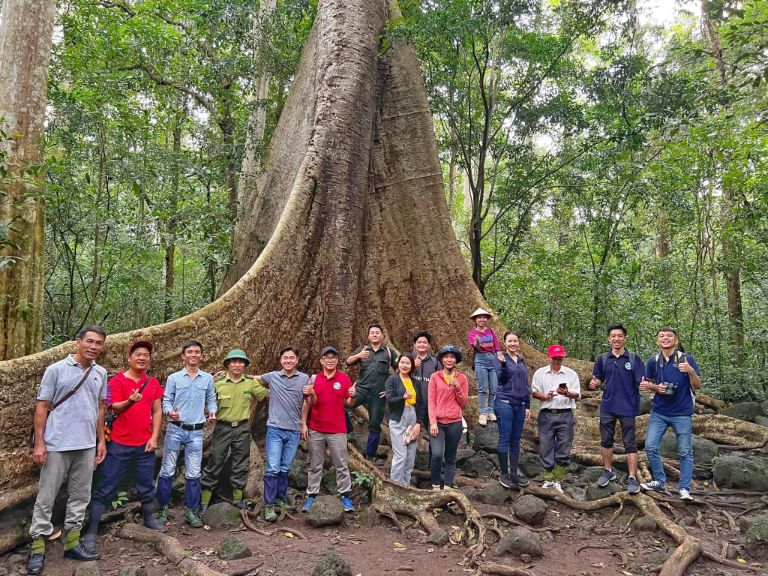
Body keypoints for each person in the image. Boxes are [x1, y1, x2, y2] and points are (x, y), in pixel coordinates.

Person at [26, 326, 109, 575]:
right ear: (78, 342)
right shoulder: (56, 370)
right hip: (57, 443)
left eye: (99, 343)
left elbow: (99, 408)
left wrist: (100, 441)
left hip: (85, 445)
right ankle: (38, 547)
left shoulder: (101, 372)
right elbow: (42, 407)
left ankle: (72, 542)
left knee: (81, 496)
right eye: (90, 341)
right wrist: (40, 443)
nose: (94, 347)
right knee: (46, 496)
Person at [83, 340, 166, 553]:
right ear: (129, 358)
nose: (142, 358)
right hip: (119, 445)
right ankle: (91, 531)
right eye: (138, 354)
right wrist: (130, 401)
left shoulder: (153, 383)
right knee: (106, 486)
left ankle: (150, 520)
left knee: (146, 485)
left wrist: (154, 437)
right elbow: (114, 408)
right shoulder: (117, 382)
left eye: (146, 355)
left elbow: (157, 411)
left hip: (144, 445)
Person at [157, 340, 217, 528]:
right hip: (175, 429)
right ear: (183, 356)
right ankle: (163, 509)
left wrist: (213, 411)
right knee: (167, 470)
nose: (193, 355)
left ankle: (191, 511)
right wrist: (169, 412)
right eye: (189, 352)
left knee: (193, 473)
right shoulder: (174, 378)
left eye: (196, 352)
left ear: (201, 355)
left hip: (196, 432)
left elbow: (211, 399)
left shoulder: (207, 378)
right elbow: (166, 400)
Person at [200, 349, 268, 512]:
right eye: (234, 361)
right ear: (228, 364)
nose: (237, 365)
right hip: (222, 427)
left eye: (241, 362)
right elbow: (204, 398)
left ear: (245, 365)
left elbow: (266, 394)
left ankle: (238, 500)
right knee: (215, 461)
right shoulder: (218, 383)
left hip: (243, 428)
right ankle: (203, 503)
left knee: (240, 463)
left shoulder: (250, 383)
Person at [640, 327, 702, 501]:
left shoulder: (686, 359)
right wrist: (654, 387)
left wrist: (690, 371)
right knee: (650, 446)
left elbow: (697, 385)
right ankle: (659, 481)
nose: (665, 338)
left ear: (675, 340)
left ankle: (684, 488)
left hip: (682, 412)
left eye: (669, 336)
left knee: (685, 452)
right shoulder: (653, 361)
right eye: (661, 336)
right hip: (659, 411)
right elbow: (647, 384)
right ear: (657, 341)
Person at [254, 346, 309, 522]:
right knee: (272, 468)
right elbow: (254, 379)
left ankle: (280, 499)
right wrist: (228, 375)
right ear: (280, 360)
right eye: (285, 358)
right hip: (275, 430)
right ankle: (269, 505)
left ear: (297, 360)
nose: (288, 361)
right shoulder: (272, 377)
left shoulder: (304, 378)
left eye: (291, 358)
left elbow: (308, 402)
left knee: (285, 468)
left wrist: (303, 424)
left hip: (293, 430)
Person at [589, 323, 645, 494]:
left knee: (630, 443)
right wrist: (594, 383)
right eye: (613, 336)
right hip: (608, 405)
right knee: (606, 440)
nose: (616, 339)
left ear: (625, 338)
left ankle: (632, 477)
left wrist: (644, 385)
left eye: (620, 336)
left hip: (628, 406)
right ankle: (608, 471)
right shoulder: (603, 359)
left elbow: (640, 381)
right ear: (609, 338)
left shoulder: (634, 359)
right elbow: (598, 378)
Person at [301, 346, 356, 512]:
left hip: (338, 429)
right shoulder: (314, 379)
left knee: (341, 464)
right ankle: (312, 496)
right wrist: (303, 424)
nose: (330, 360)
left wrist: (353, 396)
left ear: (337, 360)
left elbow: (349, 404)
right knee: (315, 464)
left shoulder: (344, 379)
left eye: (333, 357)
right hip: (317, 428)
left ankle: (345, 496)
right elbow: (309, 404)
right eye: (326, 357)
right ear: (321, 360)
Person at [531, 344, 581, 493]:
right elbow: (534, 392)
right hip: (546, 414)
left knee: (564, 446)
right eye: (555, 358)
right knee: (545, 445)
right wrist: (545, 396)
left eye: (560, 358)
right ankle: (548, 479)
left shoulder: (571, 374)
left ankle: (557, 479)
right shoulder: (540, 373)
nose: (557, 360)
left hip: (565, 413)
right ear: (550, 357)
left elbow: (577, 395)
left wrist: (567, 393)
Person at [346, 323, 398, 459]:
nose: (374, 335)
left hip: (378, 393)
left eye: (377, 333)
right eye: (372, 333)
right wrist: (359, 356)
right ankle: (349, 432)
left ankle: (370, 456)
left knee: (375, 424)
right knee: (343, 406)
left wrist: (390, 389)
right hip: (361, 389)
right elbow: (348, 361)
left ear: (382, 336)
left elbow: (400, 371)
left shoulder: (388, 352)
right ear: (368, 336)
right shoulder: (363, 349)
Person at [428, 344, 469, 490]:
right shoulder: (435, 377)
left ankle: (447, 488)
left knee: (450, 457)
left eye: (452, 357)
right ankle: (434, 486)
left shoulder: (462, 378)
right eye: (446, 357)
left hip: (455, 423)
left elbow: (463, 402)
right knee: (437, 455)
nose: (449, 359)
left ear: (456, 360)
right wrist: (432, 422)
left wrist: (458, 387)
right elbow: (431, 401)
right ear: (441, 360)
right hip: (437, 422)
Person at [494, 331, 531, 488]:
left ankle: (514, 474)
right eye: (509, 341)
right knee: (505, 437)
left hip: (520, 405)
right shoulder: (501, 359)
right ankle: (504, 474)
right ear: (505, 343)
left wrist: (527, 405)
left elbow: (525, 384)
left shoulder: (521, 361)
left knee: (516, 439)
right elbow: (501, 379)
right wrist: (502, 363)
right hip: (505, 402)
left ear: (518, 343)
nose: (513, 344)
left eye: (515, 341)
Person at [385, 352, 422, 486]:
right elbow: (390, 400)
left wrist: (419, 423)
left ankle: (405, 487)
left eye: (407, 363)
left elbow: (421, 403)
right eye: (402, 362)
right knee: (401, 455)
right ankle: (394, 487)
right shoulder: (392, 379)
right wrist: (403, 398)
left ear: (412, 365)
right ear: (398, 364)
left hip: (413, 416)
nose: (404, 365)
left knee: (410, 457)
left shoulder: (416, 382)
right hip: (398, 418)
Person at [467, 308, 503, 426]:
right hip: (481, 360)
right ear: (475, 320)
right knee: (483, 388)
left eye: (484, 317)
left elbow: (496, 344)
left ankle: (491, 411)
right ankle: (482, 412)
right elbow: (476, 347)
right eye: (479, 317)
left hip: (493, 360)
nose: (482, 319)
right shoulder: (472, 334)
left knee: (493, 388)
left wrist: (499, 355)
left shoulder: (490, 331)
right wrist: (477, 342)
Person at [412, 331, 439, 437]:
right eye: (419, 342)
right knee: (410, 431)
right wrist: (412, 366)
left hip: (430, 403)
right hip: (411, 403)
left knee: (432, 431)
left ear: (429, 345)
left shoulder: (435, 362)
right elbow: (398, 375)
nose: (422, 344)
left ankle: (434, 453)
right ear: (414, 344)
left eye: (424, 342)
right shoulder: (408, 359)